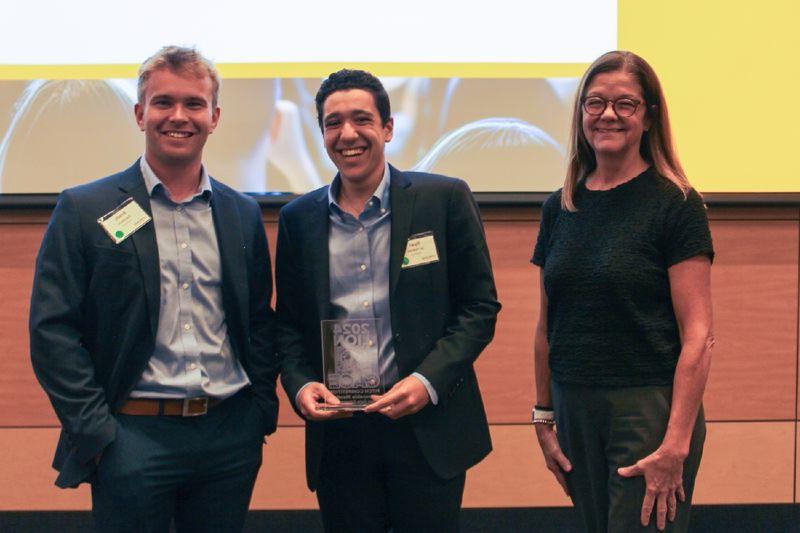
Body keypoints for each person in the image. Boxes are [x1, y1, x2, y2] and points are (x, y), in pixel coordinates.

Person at [28, 46, 279, 533]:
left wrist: (259, 412)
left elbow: (257, 322)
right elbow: (52, 331)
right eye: (163, 103)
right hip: (132, 434)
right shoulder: (85, 208)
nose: (178, 117)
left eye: (194, 104)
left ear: (215, 117)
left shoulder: (241, 213)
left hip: (229, 435)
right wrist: (98, 431)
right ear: (141, 113)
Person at [275, 69, 500, 532]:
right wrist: (299, 386)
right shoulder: (299, 219)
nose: (348, 134)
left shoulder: (444, 199)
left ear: (388, 128)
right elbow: (288, 326)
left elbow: (479, 309)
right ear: (321, 134)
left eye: (361, 119)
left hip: (426, 425)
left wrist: (426, 381)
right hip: (340, 432)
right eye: (333, 123)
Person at [531, 51, 714, 532]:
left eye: (625, 104)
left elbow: (699, 335)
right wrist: (543, 414)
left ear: (649, 116)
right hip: (574, 406)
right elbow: (548, 324)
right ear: (581, 114)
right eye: (595, 103)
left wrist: (676, 442)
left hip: (648, 409)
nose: (607, 114)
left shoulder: (676, 203)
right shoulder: (561, 205)